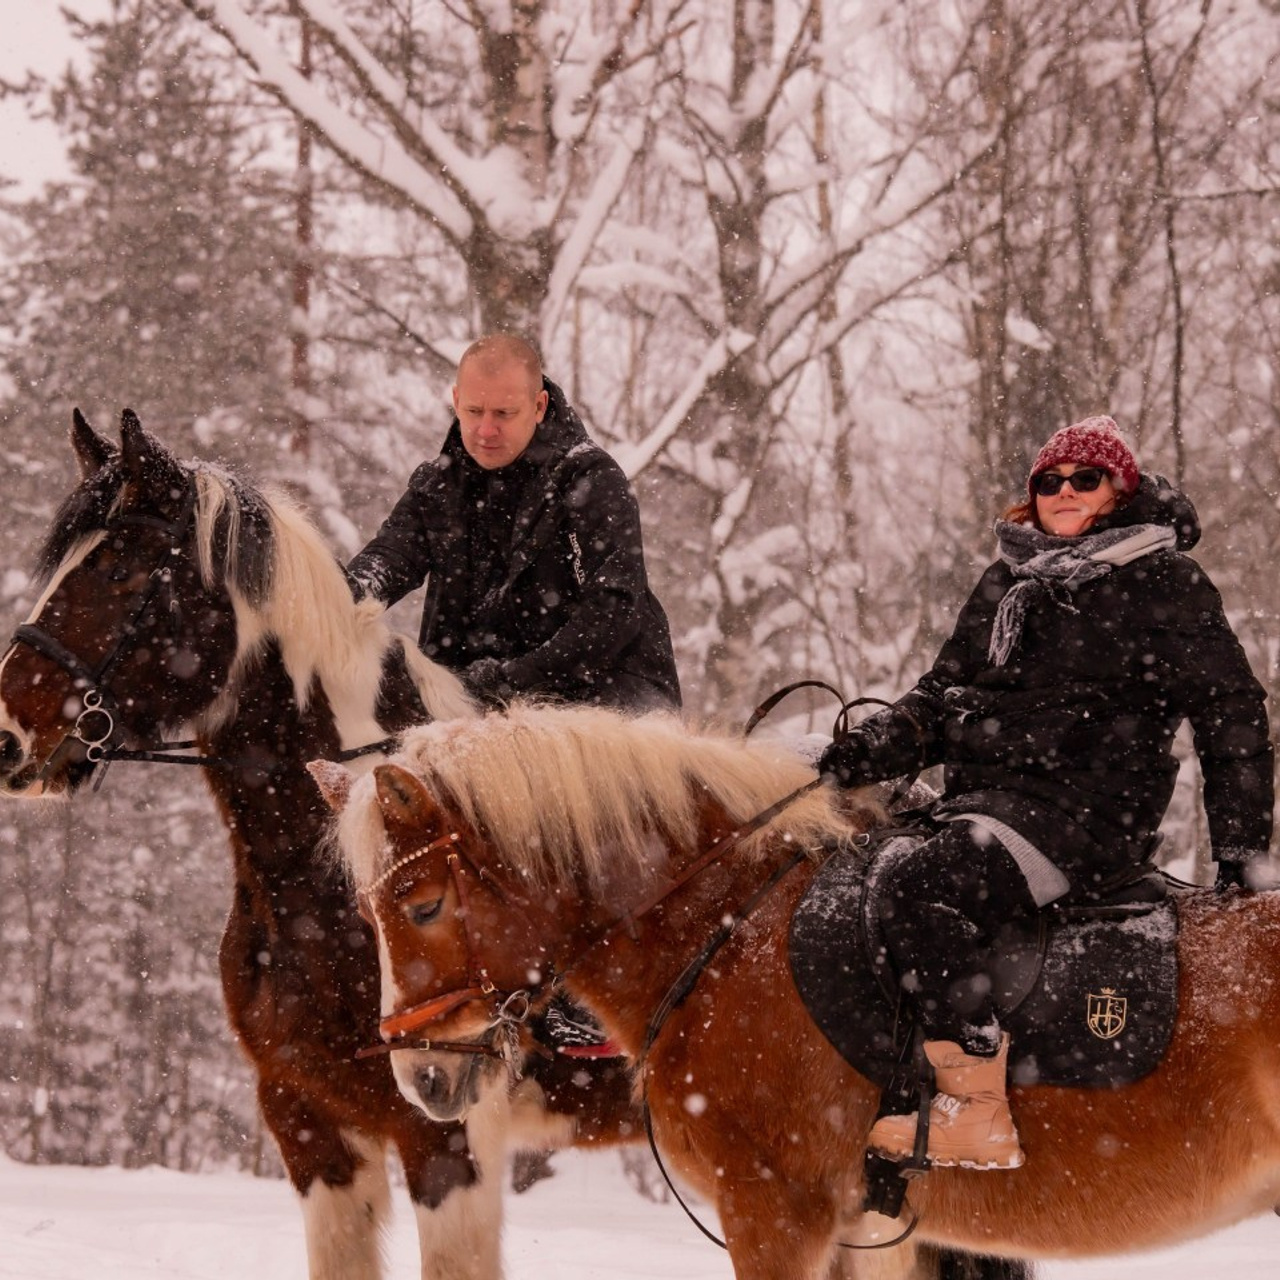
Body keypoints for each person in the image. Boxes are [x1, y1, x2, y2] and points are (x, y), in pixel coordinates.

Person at [818, 415, 1274, 1171]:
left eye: (1084, 479)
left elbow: (1233, 716)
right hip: (992, 801)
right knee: (865, 867)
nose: (1064, 492)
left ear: (1119, 489)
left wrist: (1243, 857)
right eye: (1048, 481)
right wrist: (868, 750)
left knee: (919, 886)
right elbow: (941, 694)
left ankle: (977, 1108)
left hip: (1087, 816)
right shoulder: (1009, 582)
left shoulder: (1162, 580)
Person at [347, 333, 681, 712]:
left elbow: (614, 611)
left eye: (504, 414)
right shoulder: (439, 485)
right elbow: (389, 558)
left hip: (608, 700)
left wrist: (511, 680)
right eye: (474, 411)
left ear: (539, 406)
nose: (486, 430)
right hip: (475, 700)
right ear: (456, 401)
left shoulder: (592, 480)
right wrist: (338, 599)